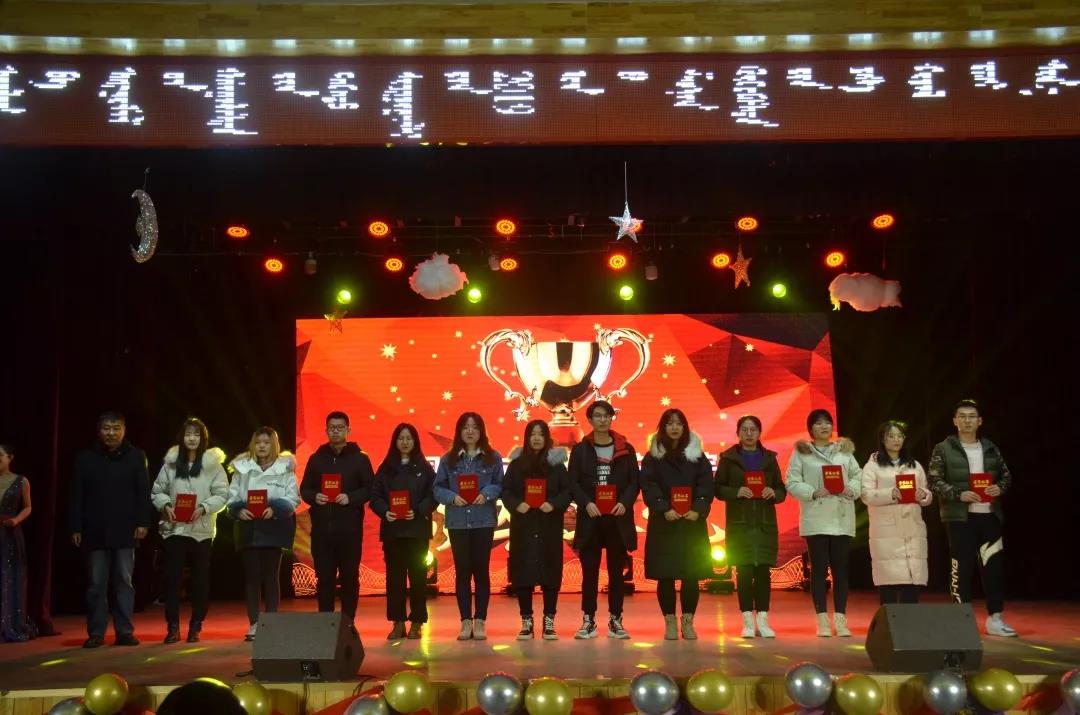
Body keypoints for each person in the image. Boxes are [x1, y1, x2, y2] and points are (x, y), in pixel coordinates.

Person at [929, 400, 1016, 637]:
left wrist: (999, 488)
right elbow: (934, 480)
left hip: (989, 517)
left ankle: (995, 618)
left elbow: (1006, 476)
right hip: (960, 518)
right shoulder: (943, 448)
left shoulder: (990, 448)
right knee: (961, 569)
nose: (967, 420)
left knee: (993, 568)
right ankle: (961, 621)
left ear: (979, 421)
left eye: (971, 416)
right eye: (962, 416)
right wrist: (959, 494)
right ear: (955, 421)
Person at [69, 412, 151, 648]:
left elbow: (143, 493)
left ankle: (124, 631)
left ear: (124, 430)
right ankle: (96, 632)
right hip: (94, 530)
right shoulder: (85, 458)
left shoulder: (136, 456)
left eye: (116, 428)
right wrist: (75, 526)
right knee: (96, 584)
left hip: (126, 530)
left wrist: (143, 522)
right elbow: (76, 495)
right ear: (99, 431)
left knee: (124, 582)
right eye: (107, 428)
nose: (111, 433)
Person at [150, 418, 229, 644]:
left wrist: (203, 507)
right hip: (174, 529)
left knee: (200, 581)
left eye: (196, 434)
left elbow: (222, 494)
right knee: (172, 579)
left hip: (201, 530)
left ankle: (196, 625)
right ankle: (172, 626)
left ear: (203, 438)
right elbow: (157, 491)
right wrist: (166, 505)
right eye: (188, 434)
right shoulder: (171, 464)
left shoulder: (214, 465)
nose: (192, 438)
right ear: (181, 438)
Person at [785, 409, 861, 637]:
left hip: (841, 517)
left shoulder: (844, 452)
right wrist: (812, 492)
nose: (824, 426)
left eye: (827, 422)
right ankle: (822, 620)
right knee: (818, 570)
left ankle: (841, 618)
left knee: (840, 570)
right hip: (816, 519)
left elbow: (858, 476)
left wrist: (851, 489)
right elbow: (791, 481)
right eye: (818, 423)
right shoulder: (802, 453)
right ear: (811, 429)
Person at [568, 400, 639, 640]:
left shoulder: (626, 448)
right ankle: (588, 620)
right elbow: (573, 482)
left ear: (611, 419)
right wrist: (586, 503)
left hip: (617, 518)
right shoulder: (581, 450)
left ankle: (616, 620)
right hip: (591, 518)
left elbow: (634, 482)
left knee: (616, 573)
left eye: (606, 416)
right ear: (589, 420)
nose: (602, 420)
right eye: (597, 416)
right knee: (589, 572)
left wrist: (624, 503)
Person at [640, 408, 714, 641]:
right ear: (663, 427)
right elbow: (648, 485)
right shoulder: (653, 456)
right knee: (666, 575)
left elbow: (706, 484)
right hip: (664, 523)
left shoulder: (697, 455)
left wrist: (698, 508)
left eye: (679, 423)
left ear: (685, 427)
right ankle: (670, 622)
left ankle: (688, 622)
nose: (674, 427)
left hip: (692, 522)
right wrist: (663, 508)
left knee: (691, 575)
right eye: (670, 423)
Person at [300, 411, 374, 634]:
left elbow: (370, 488)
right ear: (326, 430)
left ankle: (348, 622)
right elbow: (305, 489)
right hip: (322, 531)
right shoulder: (316, 458)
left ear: (348, 430)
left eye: (340, 427)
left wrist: (350, 497)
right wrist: (315, 496)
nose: (335, 431)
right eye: (332, 428)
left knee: (350, 577)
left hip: (350, 530)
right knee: (324, 578)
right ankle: (326, 624)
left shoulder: (360, 458)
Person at [433, 412, 504, 640]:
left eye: (474, 427)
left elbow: (500, 484)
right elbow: (437, 488)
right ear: (459, 431)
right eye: (466, 427)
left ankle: (480, 620)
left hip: (483, 521)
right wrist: (452, 497)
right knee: (463, 571)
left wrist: (487, 493)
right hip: (458, 523)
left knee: (481, 571)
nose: (470, 431)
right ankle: (465, 622)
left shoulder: (493, 457)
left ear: (481, 430)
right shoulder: (448, 459)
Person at [714, 415, 786, 638]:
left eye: (753, 429)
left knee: (763, 572)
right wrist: (736, 492)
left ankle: (763, 621)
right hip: (740, 524)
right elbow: (717, 489)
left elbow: (781, 489)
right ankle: (747, 621)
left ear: (759, 432)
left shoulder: (769, 458)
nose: (748, 433)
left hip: (764, 523)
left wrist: (773, 493)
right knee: (744, 572)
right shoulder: (728, 458)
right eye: (744, 429)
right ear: (738, 433)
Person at [227, 427, 300, 641]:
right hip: (249, 528)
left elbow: (293, 498)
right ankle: (254, 624)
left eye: (266, 443)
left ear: (273, 445)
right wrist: (238, 510)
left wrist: (276, 509)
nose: (262, 446)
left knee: (271, 577)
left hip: (274, 529)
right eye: (258, 442)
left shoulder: (285, 469)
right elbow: (232, 498)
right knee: (252, 578)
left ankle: (271, 623)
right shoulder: (242, 468)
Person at [501, 420, 571, 641]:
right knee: (523, 573)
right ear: (527, 437)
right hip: (524, 525)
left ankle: (549, 621)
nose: (537, 438)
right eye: (533, 434)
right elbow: (506, 491)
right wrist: (516, 505)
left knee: (550, 572)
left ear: (547, 437)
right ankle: (526, 621)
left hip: (549, 525)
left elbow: (567, 490)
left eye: (541, 434)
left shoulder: (557, 465)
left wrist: (554, 504)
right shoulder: (516, 465)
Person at [369, 423, 436, 640]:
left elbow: (433, 495)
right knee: (394, 579)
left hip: (417, 531)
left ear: (415, 441)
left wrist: (418, 511)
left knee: (418, 578)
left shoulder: (424, 468)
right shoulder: (386, 467)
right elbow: (375, 496)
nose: (405, 442)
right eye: (401, 438)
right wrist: (384, 511)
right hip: (393, 532)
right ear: (395, 442)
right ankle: (397, 622)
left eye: (409, 438)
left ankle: (417, 622)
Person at [861, 420, 933, 605]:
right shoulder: (873, 466)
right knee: (889, 585)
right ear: (882, 439)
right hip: (886, 533)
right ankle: (889, 622)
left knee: (912, 583)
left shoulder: (914, 465)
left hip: (912, 529)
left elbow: (926, 491)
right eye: (891, 436)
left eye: (900, 436)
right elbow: (866, 494)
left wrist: (923, 495)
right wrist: (890, 494)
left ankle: (910, 622)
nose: (896, 440)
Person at [0, 443, 37, 642]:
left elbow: (28, 507)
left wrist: (16, 520)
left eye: (0, 456)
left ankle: (10, 623)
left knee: (9, 576)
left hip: (9, 533)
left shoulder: (21, 481)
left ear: (10, 457)